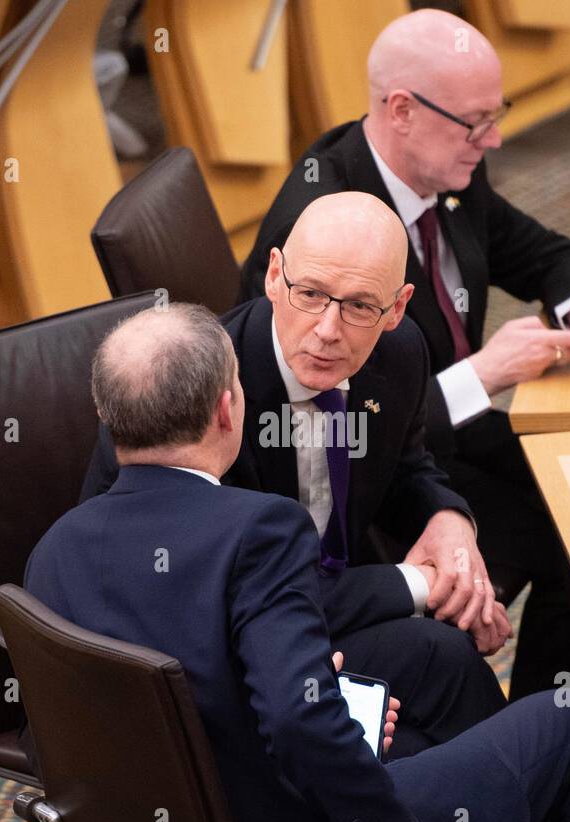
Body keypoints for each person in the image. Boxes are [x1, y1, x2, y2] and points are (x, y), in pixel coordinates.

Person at [237, 9, 570, 809]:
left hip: (433, 453)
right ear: (401, 110)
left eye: (496, 117)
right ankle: (563, 755)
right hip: (351, 499)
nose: (495, 140)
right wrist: (484, 373)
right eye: (476, 121)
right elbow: (329, 432)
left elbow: (546, 253)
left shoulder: (445, 170)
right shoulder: (325, 238)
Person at [29, 302, 570, 822]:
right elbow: (296, 723)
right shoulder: (263, 529)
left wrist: (306, 684)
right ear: (227, 409)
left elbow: (146, 684)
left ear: (105, 413)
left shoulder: (53, 549)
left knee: (433, 659)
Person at [80, 192, 511, 757]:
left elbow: (405, 467)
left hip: (315, 609)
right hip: (210, 652)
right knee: (440, 682)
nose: (329, 329)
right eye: (309, 295)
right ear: (275, 276)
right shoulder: (205, 400)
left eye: (359, 306)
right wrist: (427, 586)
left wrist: (448, 521)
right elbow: (241, 598)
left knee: (453, 670)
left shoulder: (398, 352)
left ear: (398, 308)